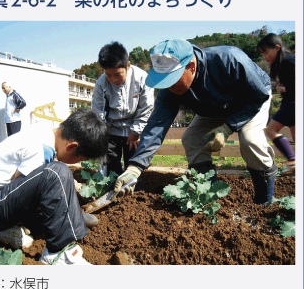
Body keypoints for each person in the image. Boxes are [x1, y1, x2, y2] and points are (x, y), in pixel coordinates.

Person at [114, 38, 278, 205]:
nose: (169, 86)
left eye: (173, 79)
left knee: (250, 141)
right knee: (191, 139)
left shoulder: (229, 60)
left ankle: (265, 201)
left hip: (250, 100)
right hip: (214, 106)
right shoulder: (170, 89)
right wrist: (134, 168)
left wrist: (227, 128)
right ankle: (209, 197)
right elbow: (156, 125)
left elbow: (258, 96)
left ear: (191, 66)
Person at [0, 108, 109, 265]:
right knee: (58, 172)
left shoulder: (44, 132)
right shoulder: (40, 149)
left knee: (54, 183)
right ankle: (58, 253)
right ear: (71, 147)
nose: (72, 163)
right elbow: (21, 185)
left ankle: (65, 218)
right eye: (77, 159)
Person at [91, 41, 154, 176]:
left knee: (134, 166)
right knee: (112, 168)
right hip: (111, 130)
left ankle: (136, 193)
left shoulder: (142, 78)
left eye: (118, 74)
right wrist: (103, 135)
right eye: (109, 75)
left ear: (128, 66)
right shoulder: (101, 83)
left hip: (134, 129)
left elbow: (146, 107)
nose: (113, 79)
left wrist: (136, 131)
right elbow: (98, 111)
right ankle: (113, 193)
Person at [257, 33, 295, 176]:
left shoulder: (289, 61)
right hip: (290, 103)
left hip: (293, 103)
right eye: (262, 54)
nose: (265, 57)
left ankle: (292, 162)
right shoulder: (282, 63)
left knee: (271, 130)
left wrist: (285, 89)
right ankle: (293, 163)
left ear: (277, 47)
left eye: (266, 52)